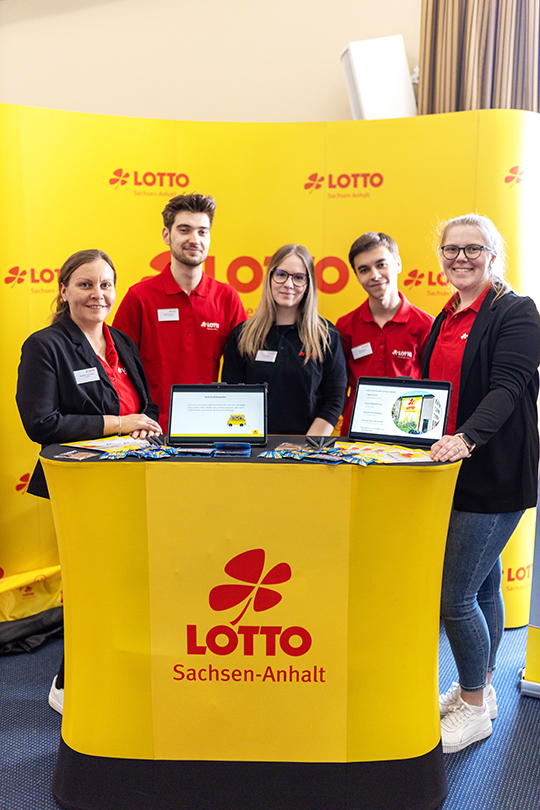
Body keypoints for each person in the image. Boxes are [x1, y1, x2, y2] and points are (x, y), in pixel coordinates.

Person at [16, 248, 162, 715]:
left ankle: (115, 669)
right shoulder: (46, 345)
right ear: (64, 290)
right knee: (92, 584)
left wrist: (144, 425)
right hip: (83, 484)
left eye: (105, 285)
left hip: (131, 478)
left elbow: (145, 404)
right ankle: (68, 680)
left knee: (128, 583)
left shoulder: (121, 340)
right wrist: (119, 425)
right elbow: (41, 423)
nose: (97, 294)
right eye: (85, 284)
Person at [422, 214, 540, 753]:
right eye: (451, 249)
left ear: (495, 255)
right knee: (484, 584)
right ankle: (484, 688)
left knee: (455, 596)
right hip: (450, 471)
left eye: (473, 249)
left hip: (492, 473)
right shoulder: (443, 317)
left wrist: (466, 439)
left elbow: (510, 386)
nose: (460, 258)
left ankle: (472, 707)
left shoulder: (516, 311)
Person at [113, 193, 246, 430]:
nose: (195, 239)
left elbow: (244, 369)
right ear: (167, 235)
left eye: (202, 231)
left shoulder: (227, 298)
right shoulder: (139, 298)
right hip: (149, 430)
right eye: (184, 230)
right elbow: (117, 369)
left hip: (211, 430)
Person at [222, 244, 346, 435]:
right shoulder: (243, 335)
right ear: (270, 278)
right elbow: (232, 398)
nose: (288, 284)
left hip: (307, 452)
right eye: (281, 274)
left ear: (308, 284)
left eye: (298, 278)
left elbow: (335, 399)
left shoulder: (327, 335)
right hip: (253, 449)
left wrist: (306, 448)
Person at [336, 232, 434, 436]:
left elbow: (434, 388)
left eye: (381, 264)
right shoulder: (345, 326)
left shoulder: (426, 325)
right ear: (357, 276)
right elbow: (338, 387)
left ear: (398, 264)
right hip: (357, 432)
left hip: (408, 431)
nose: (374, 275)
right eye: (364, 269)